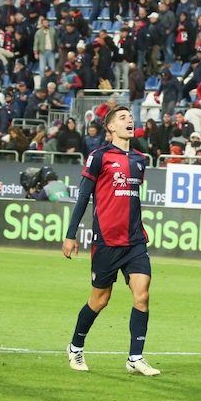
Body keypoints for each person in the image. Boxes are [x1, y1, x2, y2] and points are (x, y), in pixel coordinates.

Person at [61, 107, 159, 376]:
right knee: (100, 300)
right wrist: (71, 234)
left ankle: (135, 357)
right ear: (111, 128)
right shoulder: (99, 156)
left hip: (135, 241)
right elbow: (83, 197)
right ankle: (75, 347)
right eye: (123, 118)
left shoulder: (140, 159)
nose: (130, 121)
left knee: (143, 294)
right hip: (106, 241)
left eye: (131, 117)